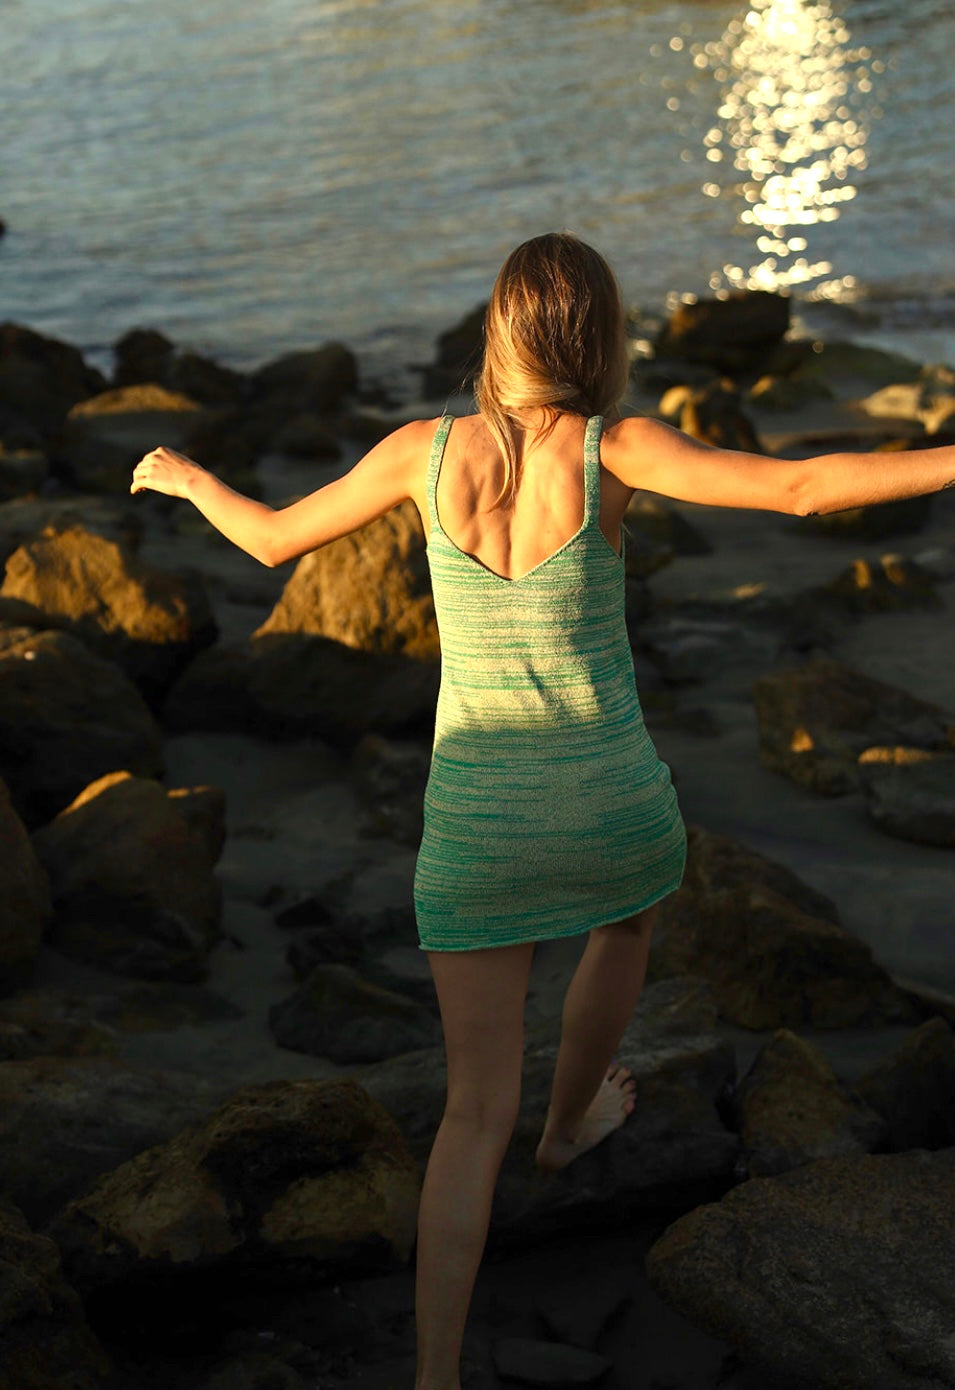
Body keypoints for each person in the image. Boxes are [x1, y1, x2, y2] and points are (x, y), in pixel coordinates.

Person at [132, 232, 954, 1390]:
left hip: (477, 823)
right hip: (612, 801)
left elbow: (271, 539)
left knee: (471, 1116)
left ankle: (433, 1377)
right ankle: (571, 1127)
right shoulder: (615, 449)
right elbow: (803, 487)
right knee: (622, 927)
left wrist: (185, 478)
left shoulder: (422, 453)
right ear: (598, 339)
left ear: (499, 333)